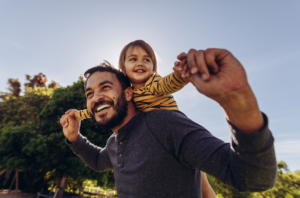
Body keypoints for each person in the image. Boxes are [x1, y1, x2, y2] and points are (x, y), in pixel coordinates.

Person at [60, 48, 277, 198]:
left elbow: (252, 177)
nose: (96, 97)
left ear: (128, 93)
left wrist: (239, 102)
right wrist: (74, 138)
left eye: (105, 87)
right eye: (90, 93)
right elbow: (98, 162)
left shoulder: (164, 123)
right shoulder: (114, 144)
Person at [74, 40, 216, 197]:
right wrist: (77, 116)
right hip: (159, 139)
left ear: (153, 68)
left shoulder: (153, 83)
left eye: (146, 60)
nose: (140, 63)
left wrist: (181, 77)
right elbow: (100, 107)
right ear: (123, 69)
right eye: (133, 59)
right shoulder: (127, 95)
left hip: (172, 134)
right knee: (199, 180)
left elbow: (167, 84)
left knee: (202, 184)